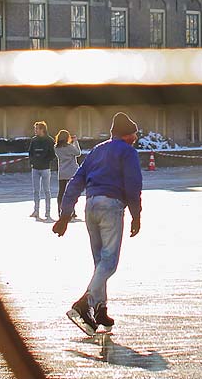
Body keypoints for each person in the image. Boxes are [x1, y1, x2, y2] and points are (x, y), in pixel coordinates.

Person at [52, 111, 142, 334]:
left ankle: (101, 309)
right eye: (135, 135)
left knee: (100, 262)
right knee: (109, 262)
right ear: (128, 135)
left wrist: (65, 215)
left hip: (90, 205)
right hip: (111, 206)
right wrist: (136, 214)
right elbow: (133, 184)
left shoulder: (96, 151)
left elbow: (75, 182)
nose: (136, 139)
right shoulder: (128, 152)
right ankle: (85, 304)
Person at [28, 120, 57, 221]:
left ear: (42, 129)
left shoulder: (49, 140)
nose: (35, 131)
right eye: (35, 129)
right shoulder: (34, 140)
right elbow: (30, 152)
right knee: (36, 191)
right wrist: (32, 161)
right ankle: (36, 210)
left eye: (37, 129)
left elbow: (53, 154)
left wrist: (45, 159)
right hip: (35, 168)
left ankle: (47, 212)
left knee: (47, 191)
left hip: (45, 168)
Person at [54, 129, 84, 222]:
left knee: (61, 192)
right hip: (72, 171)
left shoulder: (56, 148)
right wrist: (75, 142)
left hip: (62, 172)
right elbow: (78, 153)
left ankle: (60, 210)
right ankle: (72, 211)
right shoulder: (69, 147)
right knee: (71, 193)